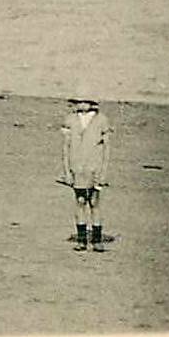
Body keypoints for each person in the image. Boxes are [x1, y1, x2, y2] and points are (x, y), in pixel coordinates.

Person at [61, 93, 112, 252]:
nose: (80, 105)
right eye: (78, 102)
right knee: (80, 201)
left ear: (91, 103)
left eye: (83, 102)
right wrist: (67, 171)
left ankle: (97, 240)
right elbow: (65, 147)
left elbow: (106, 149)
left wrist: (103, 172)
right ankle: (82, 239)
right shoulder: (70, 120)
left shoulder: (101, 120)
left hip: (94, 168)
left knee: (94, 202)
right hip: (77, 168)